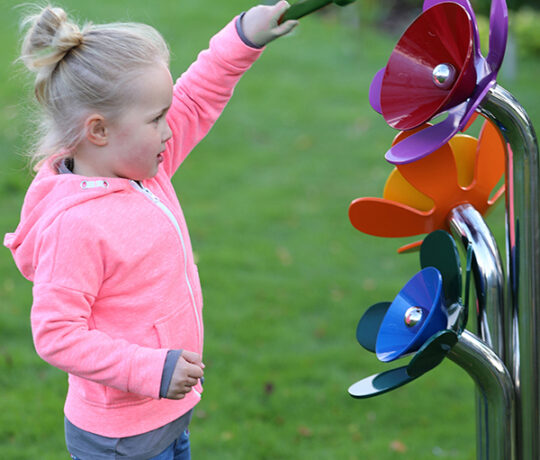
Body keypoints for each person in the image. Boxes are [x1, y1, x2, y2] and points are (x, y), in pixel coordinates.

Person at [4, 2, 298, 459]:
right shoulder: (76, 225)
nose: (169, 128)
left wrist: (244, 36)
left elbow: (199, 95)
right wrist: (152, 369)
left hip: (164, 414)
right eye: (157, 118)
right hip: (121, 440)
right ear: (99, 130)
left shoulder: (141, 168)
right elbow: (56, 333)